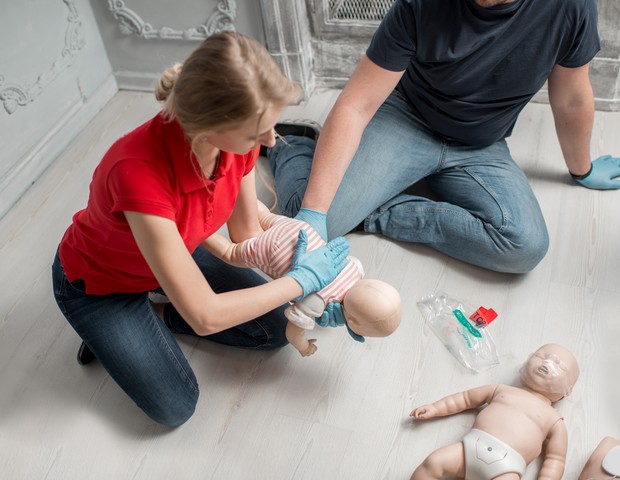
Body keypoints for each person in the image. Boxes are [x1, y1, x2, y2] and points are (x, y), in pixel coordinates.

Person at [51, 32, 350, 427]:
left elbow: (244, 234)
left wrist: (315, 290)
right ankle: (116, 325)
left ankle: (159, 309)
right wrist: (300, 281)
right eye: (256, 132)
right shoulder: (137, 173)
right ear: (209, 126)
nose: (272, 140)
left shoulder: (235, 145)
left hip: (180, 245)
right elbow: (207, 318)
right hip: (101, 286)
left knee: (276, 330)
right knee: (176, 406)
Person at [266, 0, 620, 275]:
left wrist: (582, 169)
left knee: (525, 246)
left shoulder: (570, 7)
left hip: (481, 146)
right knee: (304, 229)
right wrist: (316, 213)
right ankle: (295, 145)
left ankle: (377, 212)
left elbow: (571, 96)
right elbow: (357, 105)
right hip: (406, 118)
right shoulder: (418, 5)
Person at [202, 201, 402, 356]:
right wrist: (304, 346)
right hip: (271, 249)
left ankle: (234, 189)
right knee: (230, 252)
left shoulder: (355, 267)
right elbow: (293, 332)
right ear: (352, 321)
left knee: (265, 216)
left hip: (297, 231)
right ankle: (196, 230)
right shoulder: (318, 302)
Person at [409, 344, 580, 479]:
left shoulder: (555, 420)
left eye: (560, 365)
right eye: (542, 356)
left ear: (566, 393)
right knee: (434, 462)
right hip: (470, 448)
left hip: (507, 469)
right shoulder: (501, 390)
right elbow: (464, 399)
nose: (547, 363)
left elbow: (555, 459)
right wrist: (435, 408)